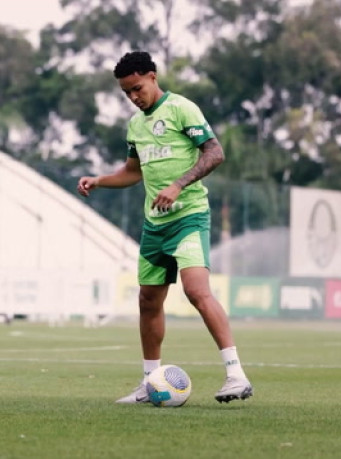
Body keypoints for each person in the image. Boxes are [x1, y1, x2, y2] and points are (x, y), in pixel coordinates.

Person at [77, 51, 253, 404]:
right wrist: (99, 180)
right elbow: (133, 171)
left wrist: (177, 185)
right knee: (147, 301)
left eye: (137, 88)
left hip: (189, 217)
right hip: (154, 226)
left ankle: (236, 375)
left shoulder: (182, 109)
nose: (133, 97)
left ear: (153, 77)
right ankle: (149, 382)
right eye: (126, 93)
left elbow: (215, 153)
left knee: (196, 291)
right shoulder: (135, 125)